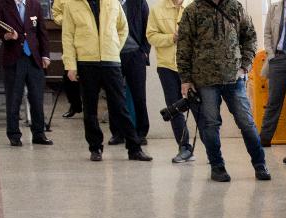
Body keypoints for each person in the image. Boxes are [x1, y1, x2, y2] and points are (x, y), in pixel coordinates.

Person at [176, 0, 268, 182]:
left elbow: (250, 36)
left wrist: (245, 67)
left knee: (247, 123)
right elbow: (184, 46)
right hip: (204, 80)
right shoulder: (192, 10)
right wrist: (185, 79)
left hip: (234, 78)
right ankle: (217, 167)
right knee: (210, 125)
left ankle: (260, 164)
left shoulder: (235, 7)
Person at [60, 0, 151, 161]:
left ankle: (134, 148)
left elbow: (123, 28)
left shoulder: (112, 2)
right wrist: (70, 65)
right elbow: (67, 36)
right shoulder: (72, 4)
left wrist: (115, 47)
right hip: (86, 61)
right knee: (90, 109)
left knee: (120, 106)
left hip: (111, 60)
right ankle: (95, 148)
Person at [0, 0, 53, 146]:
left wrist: (45, 55)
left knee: (37, 98)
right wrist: (6, 35)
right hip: (13, 57)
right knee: (14, 98)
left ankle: (39, 133)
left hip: (33, 58)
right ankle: (14, 134)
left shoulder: (34, 4)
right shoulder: (1, 4)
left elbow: (41, 32)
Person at [145, 0, 195, 162]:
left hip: (192, 65)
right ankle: (184, 148)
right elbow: (151, 36)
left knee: (201, 108)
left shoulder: (194, 6)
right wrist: (172, 38)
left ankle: (212, 150)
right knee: (174, 109)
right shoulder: (157, 9)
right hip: (167, 66)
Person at [257, 0, 286, 149]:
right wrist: (271, 55)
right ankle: (264, 139)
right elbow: (267, 33)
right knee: (273, 102)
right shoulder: (274, 7)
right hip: (278, 59)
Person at [118, 0, 150, 143]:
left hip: (136, 53)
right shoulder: (107, 3)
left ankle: (141, 132)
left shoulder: (139, 2)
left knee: (139, 95)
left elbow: (148, 27)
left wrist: (144, 51)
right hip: (113, 54)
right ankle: (118, 133)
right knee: (115, 96)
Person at [51, 0, 82, 117]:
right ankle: (75, 105)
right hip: (70, 39)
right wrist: (68, 20)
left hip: (88, 41)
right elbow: (56, 13)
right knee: (69, 76)